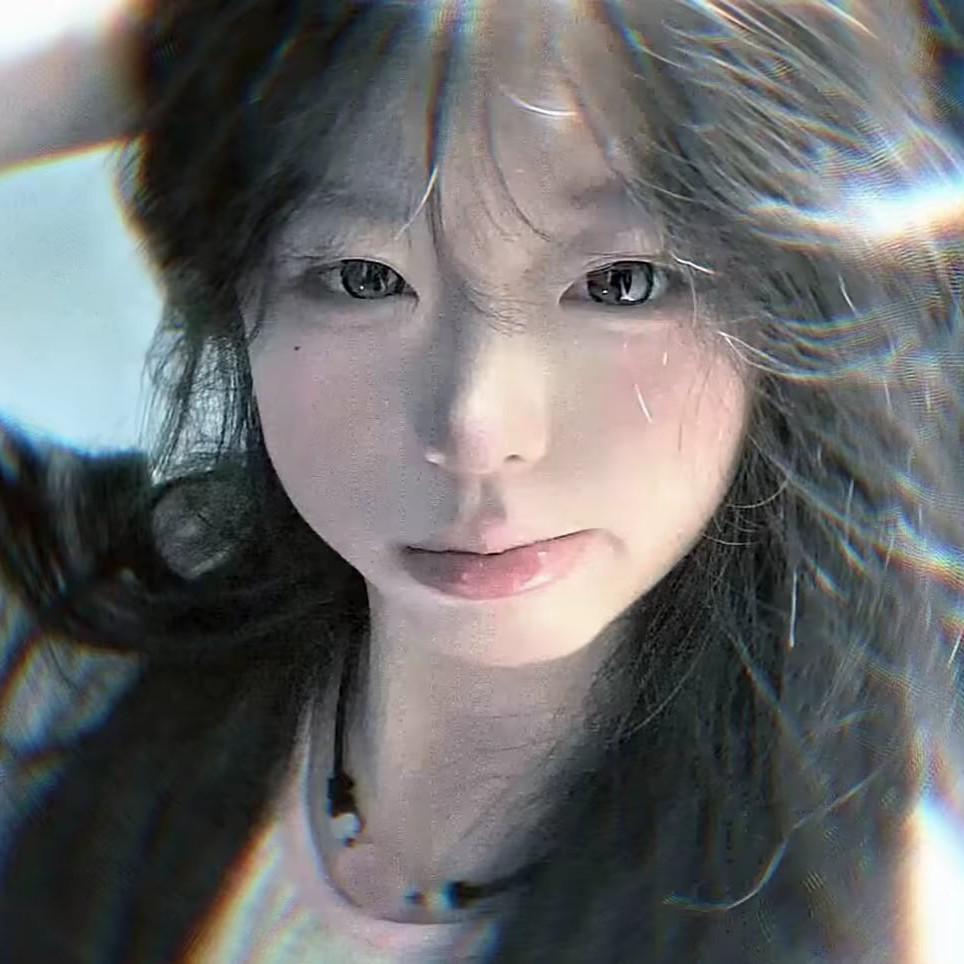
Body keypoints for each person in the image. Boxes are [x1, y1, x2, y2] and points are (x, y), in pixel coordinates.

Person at [0, 1, 962, 961]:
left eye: (619, 283)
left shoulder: (869, 920)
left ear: (790, 306)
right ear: (237, 289)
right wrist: (180, 46)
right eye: (364, 279)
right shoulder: (92, 646)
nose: (474, 427)